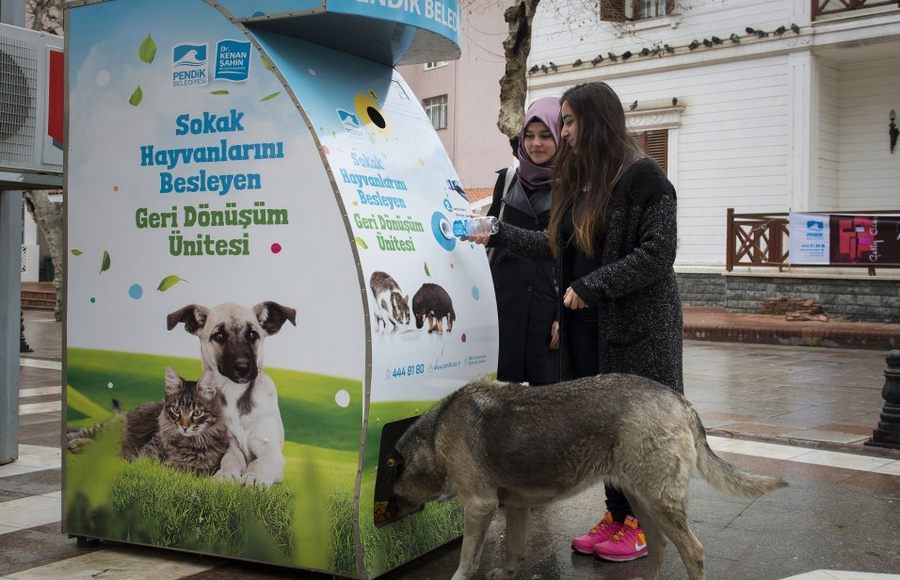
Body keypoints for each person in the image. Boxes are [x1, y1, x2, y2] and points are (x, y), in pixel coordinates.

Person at [470, 82, 683, 563]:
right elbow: (553, 246)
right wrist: (499, 231)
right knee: (601, 427)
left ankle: (644, 523)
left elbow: (657, 254)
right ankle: (616, 515)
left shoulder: (644, 178)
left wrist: (592, 287)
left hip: (635, 331)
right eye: (559, 122)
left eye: (568, 121)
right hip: (587, 329)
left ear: (596, 121)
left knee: (636, 429)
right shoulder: (580, 181)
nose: (562, 132)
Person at [487, 97, 561, 386]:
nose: (535, 144)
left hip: (547, 305)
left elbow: (578, 257)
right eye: (529, 136)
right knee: (502, 394)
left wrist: (562, 316)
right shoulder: (507, 181)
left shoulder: (573, 188)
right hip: (504, 304)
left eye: (545, 136)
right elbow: (490, 235)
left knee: (547, 399)